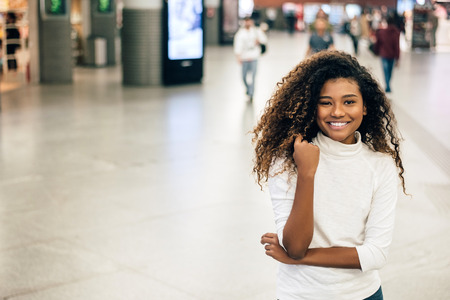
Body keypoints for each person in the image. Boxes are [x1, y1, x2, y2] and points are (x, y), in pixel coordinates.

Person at [252, 51, 406, 300]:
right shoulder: (287, 159)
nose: (337, 112)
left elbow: (376, 254)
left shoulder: (380, 165)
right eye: (325, 102)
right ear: (312, 106)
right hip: (300, 294)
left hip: (362, 294)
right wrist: (307, 173)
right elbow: (295, 245)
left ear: (365, 107)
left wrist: (298, 259)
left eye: (349, 102)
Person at [233, 16, 267, 102]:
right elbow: (237, 46)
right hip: (244, 57)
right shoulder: (240, 33)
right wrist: (238, 57)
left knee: (253, 76)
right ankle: (248, 89)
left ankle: (251, 93)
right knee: (243, 77)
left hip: (254, 56)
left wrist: (259, 41)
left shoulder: (256, 31)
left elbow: (264, 40)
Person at [374, 14, 400, 93]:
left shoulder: (382, 32)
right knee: (390, 71)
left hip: (384, 54)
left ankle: (387, 85)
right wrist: (398, 58)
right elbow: (397, 46)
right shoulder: (396, 33)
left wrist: (376, 51)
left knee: (385, 71)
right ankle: (388, 85)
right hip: (392, 55)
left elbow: (378, 43)